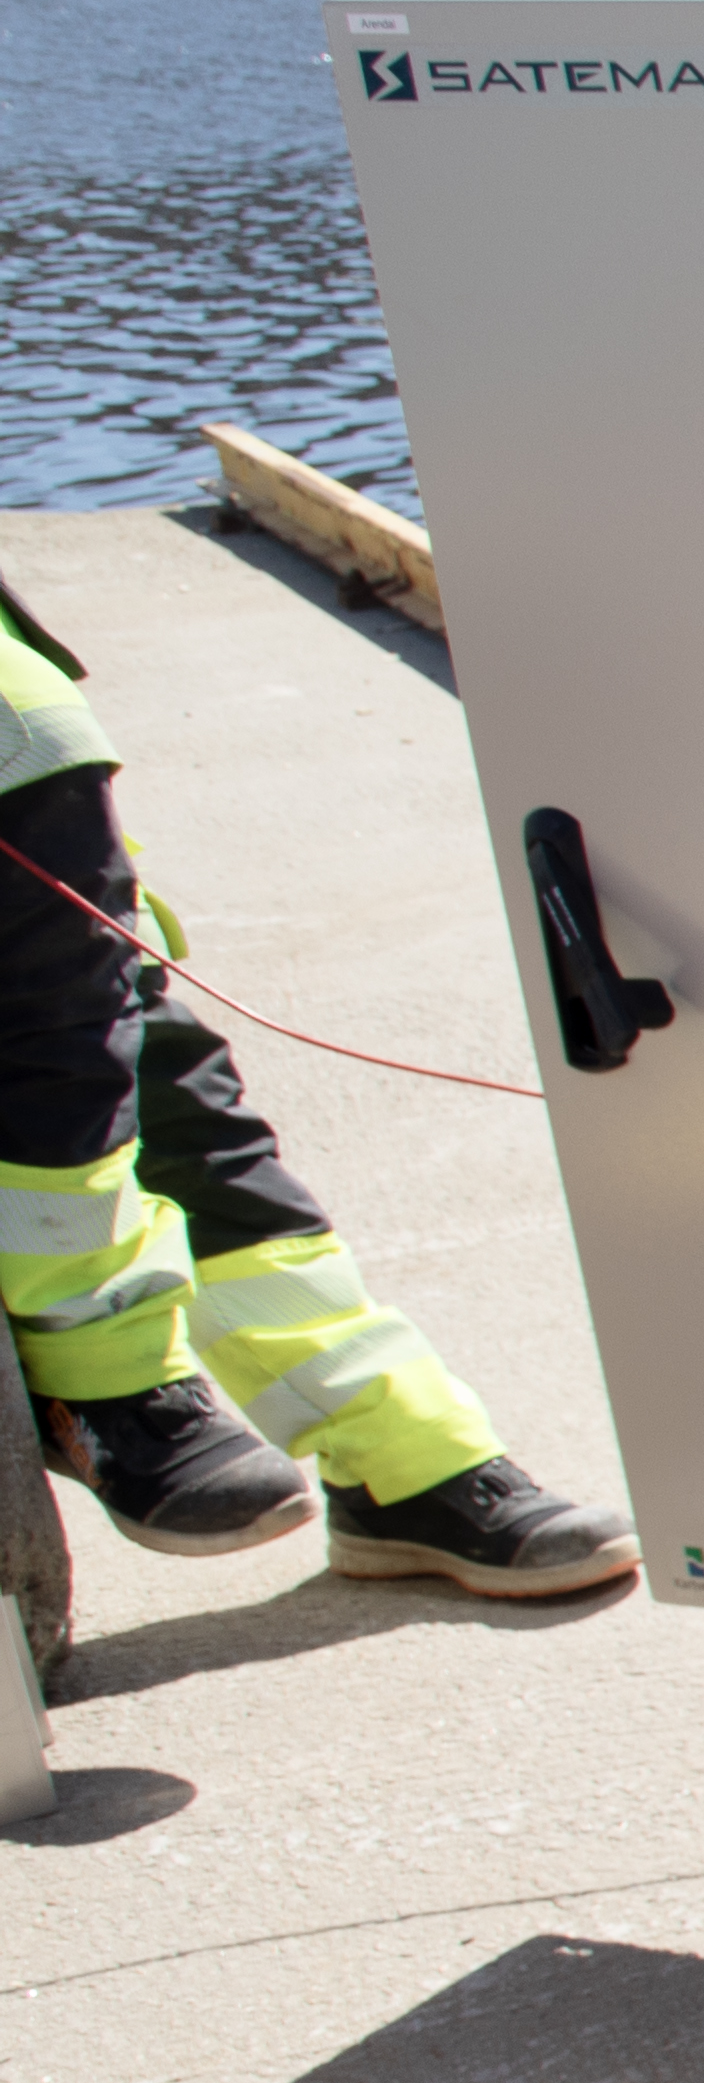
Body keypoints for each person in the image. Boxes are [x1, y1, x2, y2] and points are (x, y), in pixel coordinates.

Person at [4, 569, 633, 1594]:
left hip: (27, 813)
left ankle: (397, 1463)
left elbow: (71, 1045)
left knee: (158, 1093)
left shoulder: (18, 734)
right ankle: (120, 1390)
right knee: (84, 1064)